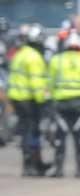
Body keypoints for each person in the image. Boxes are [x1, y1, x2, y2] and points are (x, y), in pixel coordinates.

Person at [8, 24, 50, 177]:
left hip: (17, 97)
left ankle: (36, 163)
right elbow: (36, 83)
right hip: (28, 100)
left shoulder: (20, 53)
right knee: (31, 132)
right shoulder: (34, 57)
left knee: (27, 131)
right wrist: (43, 102)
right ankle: (30, 165)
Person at [47, 31, 80, 177]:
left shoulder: (56, 60)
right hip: (78, 104)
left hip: (61, 104)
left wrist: (50, 101)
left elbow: (50, 84)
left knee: (60, 136)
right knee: (78, 137)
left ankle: (59, 169)